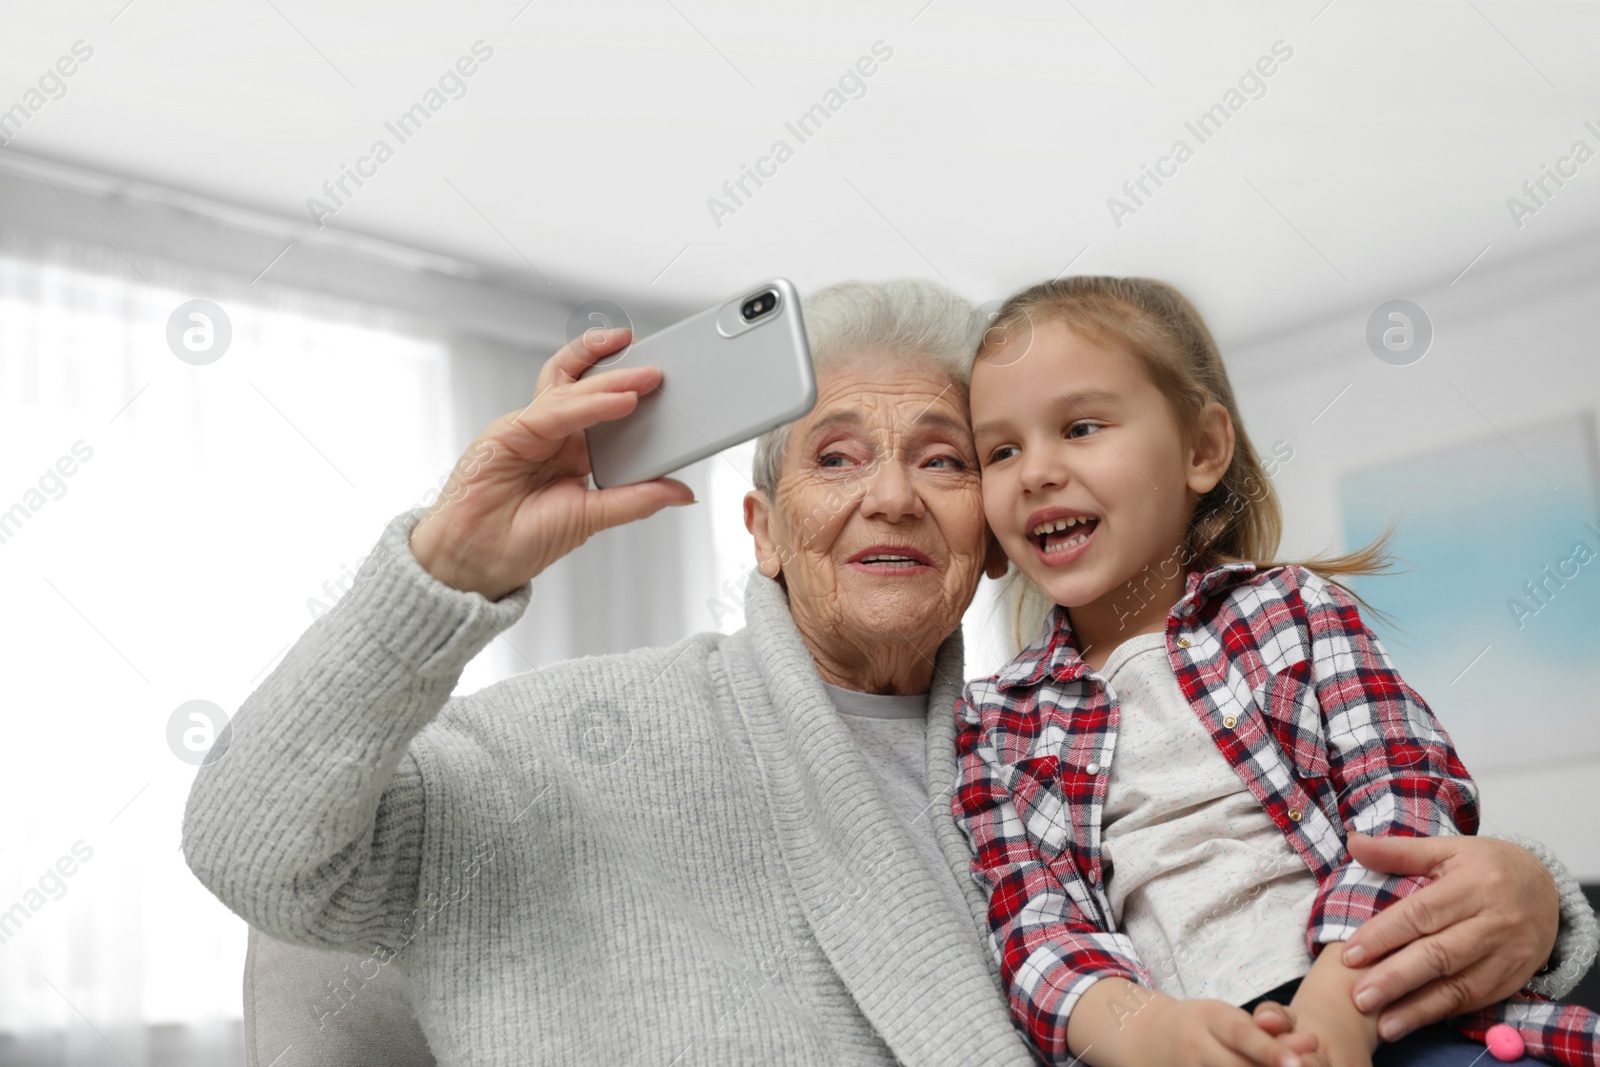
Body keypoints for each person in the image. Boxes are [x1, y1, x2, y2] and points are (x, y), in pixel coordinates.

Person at [183, 280, 1592, 1066]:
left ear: (995, 540)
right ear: (762, 527)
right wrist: (449, 562)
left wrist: (1539, 897)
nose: (896, 496)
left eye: (943, 455)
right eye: (837, 454)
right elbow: (252, 847)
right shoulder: (560, 741)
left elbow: (1275, 897)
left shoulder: (1039, 767)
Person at [952, 275, 1600, 1067]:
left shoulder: (1293, 610)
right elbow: (1036, 932)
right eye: (1001, 450)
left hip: (1394, 1010)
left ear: (1202, 450)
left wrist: (1341, 1004)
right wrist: (1151, 1033)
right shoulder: (996, 723)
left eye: (1080, 426)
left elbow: (1403, 795)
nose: (1036, 471)